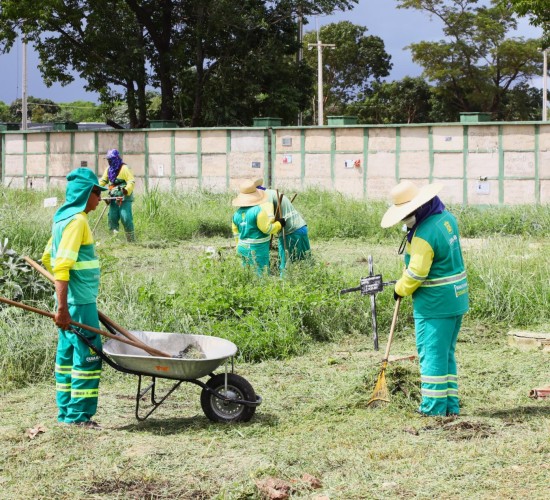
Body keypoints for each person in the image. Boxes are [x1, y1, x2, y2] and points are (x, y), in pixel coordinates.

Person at [381, 180, 469, 417]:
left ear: (417, 208)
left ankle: (433, 407)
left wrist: (400, 288)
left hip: (434, 305)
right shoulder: (446, 219)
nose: (404, 219)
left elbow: (417, 272)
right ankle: (450, 404)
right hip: (456, 299)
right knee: (445, 354)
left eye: (406, 214)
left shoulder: (423, 234)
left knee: (431, 355)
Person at [42, 168, 107, 429]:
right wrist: (64, 307)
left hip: (73, 302)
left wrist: (63, 302)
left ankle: (66, 414)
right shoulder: (77, 221)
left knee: (67, 356)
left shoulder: (61, 219)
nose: (99, 199)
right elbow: (62, 265)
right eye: (97, 193)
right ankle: (79, 416)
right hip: (79, 303)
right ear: (85, 194)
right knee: (88, 356)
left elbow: (48, 257)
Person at [255, 179, 311, 271]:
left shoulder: (266, 197)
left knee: (286, 265)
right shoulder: (271, 193)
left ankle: (284, 283)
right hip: (300, 227)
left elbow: (269, 219)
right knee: (304, 261)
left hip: (290, 231)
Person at [231, 179, 284, 275]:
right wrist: (279, 224)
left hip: (242, 248)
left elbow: (236, 233)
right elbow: (267, 229)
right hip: (258, 249)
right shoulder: (258, 211)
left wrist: (239, 245)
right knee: (261, 274)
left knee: (247, 273)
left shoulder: (236, 214)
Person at [99, 149, 136, 242]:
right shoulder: (108, 170)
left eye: (110, 159)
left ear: (115, 159)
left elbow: (131, 181)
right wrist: (96, 188)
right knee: (112, 218)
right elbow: (103, 181)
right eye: (108, 160)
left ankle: (131, 241)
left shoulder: (125, 168)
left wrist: (126, 190)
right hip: (113, 197)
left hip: (124, 198)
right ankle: (114, 240)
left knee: (126, 218)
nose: (109, 161)